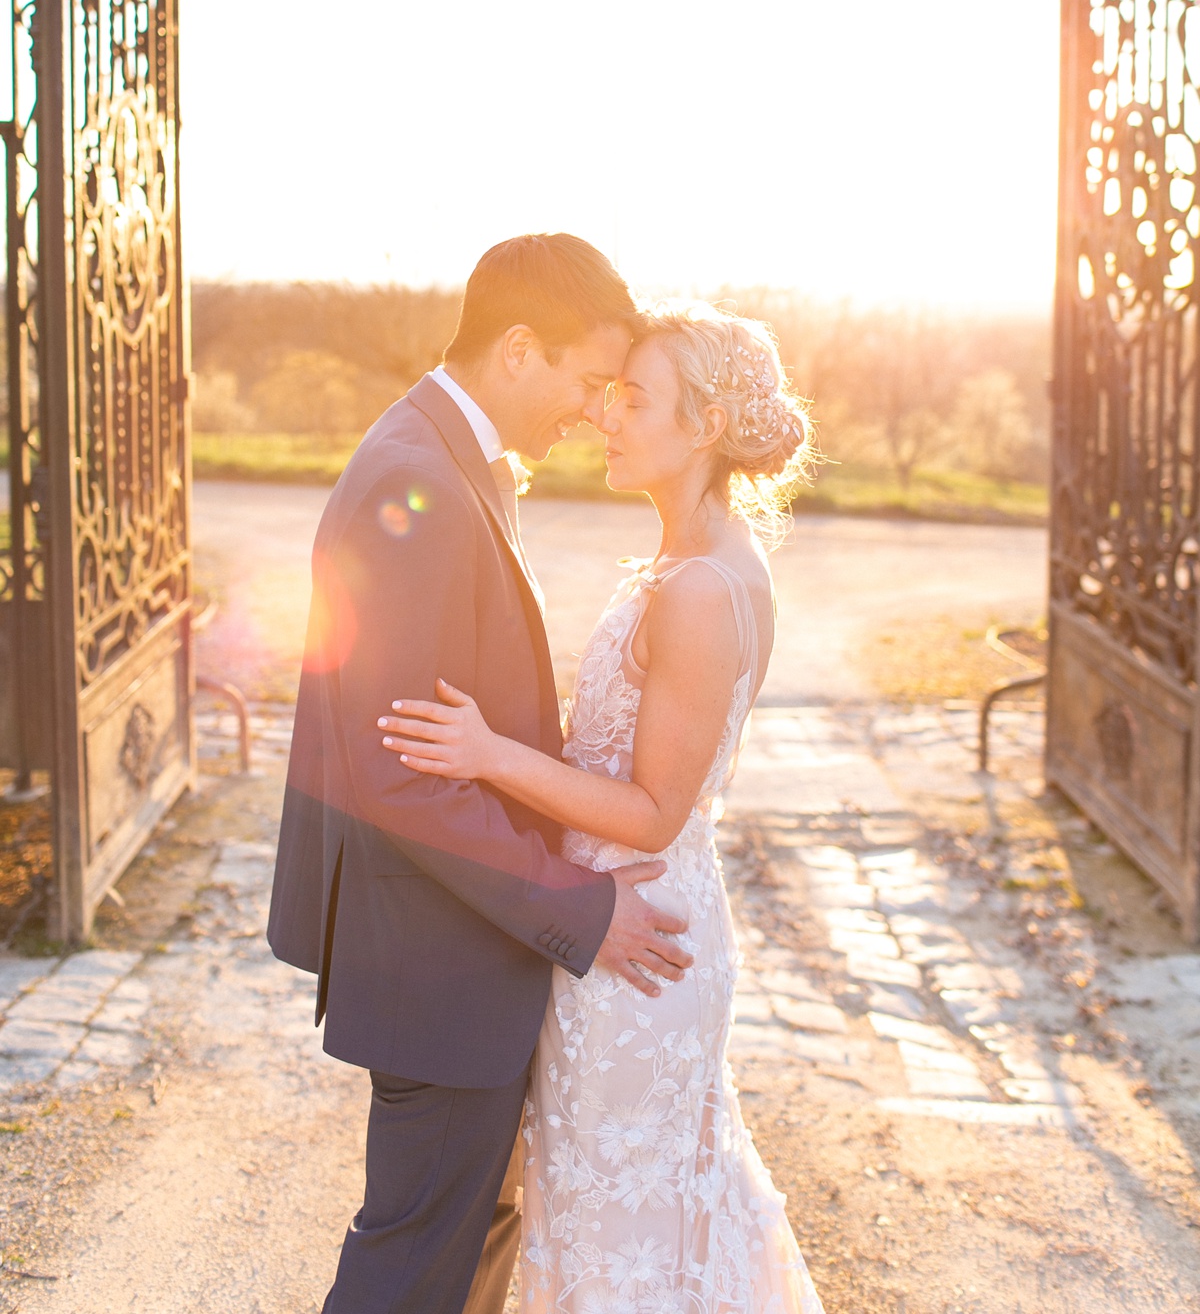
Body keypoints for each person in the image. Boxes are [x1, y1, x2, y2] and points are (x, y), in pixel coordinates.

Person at [267, 234, 693, 1314]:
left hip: (456, 959)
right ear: (517, 348)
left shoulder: (445, 460)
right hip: (437, 964)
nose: (596, 411)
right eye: (590, 381)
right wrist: (580, 909)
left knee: (466, 1248)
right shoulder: (414, 480)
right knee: (413, 1269)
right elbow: (399, 776)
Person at [379, 303, 827, 1313]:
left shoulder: (702, 591)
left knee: (619, 1215)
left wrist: (487, 754)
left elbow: (655, 808)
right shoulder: (696, 562)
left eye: (634, 401)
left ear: (704, 426)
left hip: (637, 931)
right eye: (610, 395)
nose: (607, 419)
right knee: (621, 1208)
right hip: (626, 913)